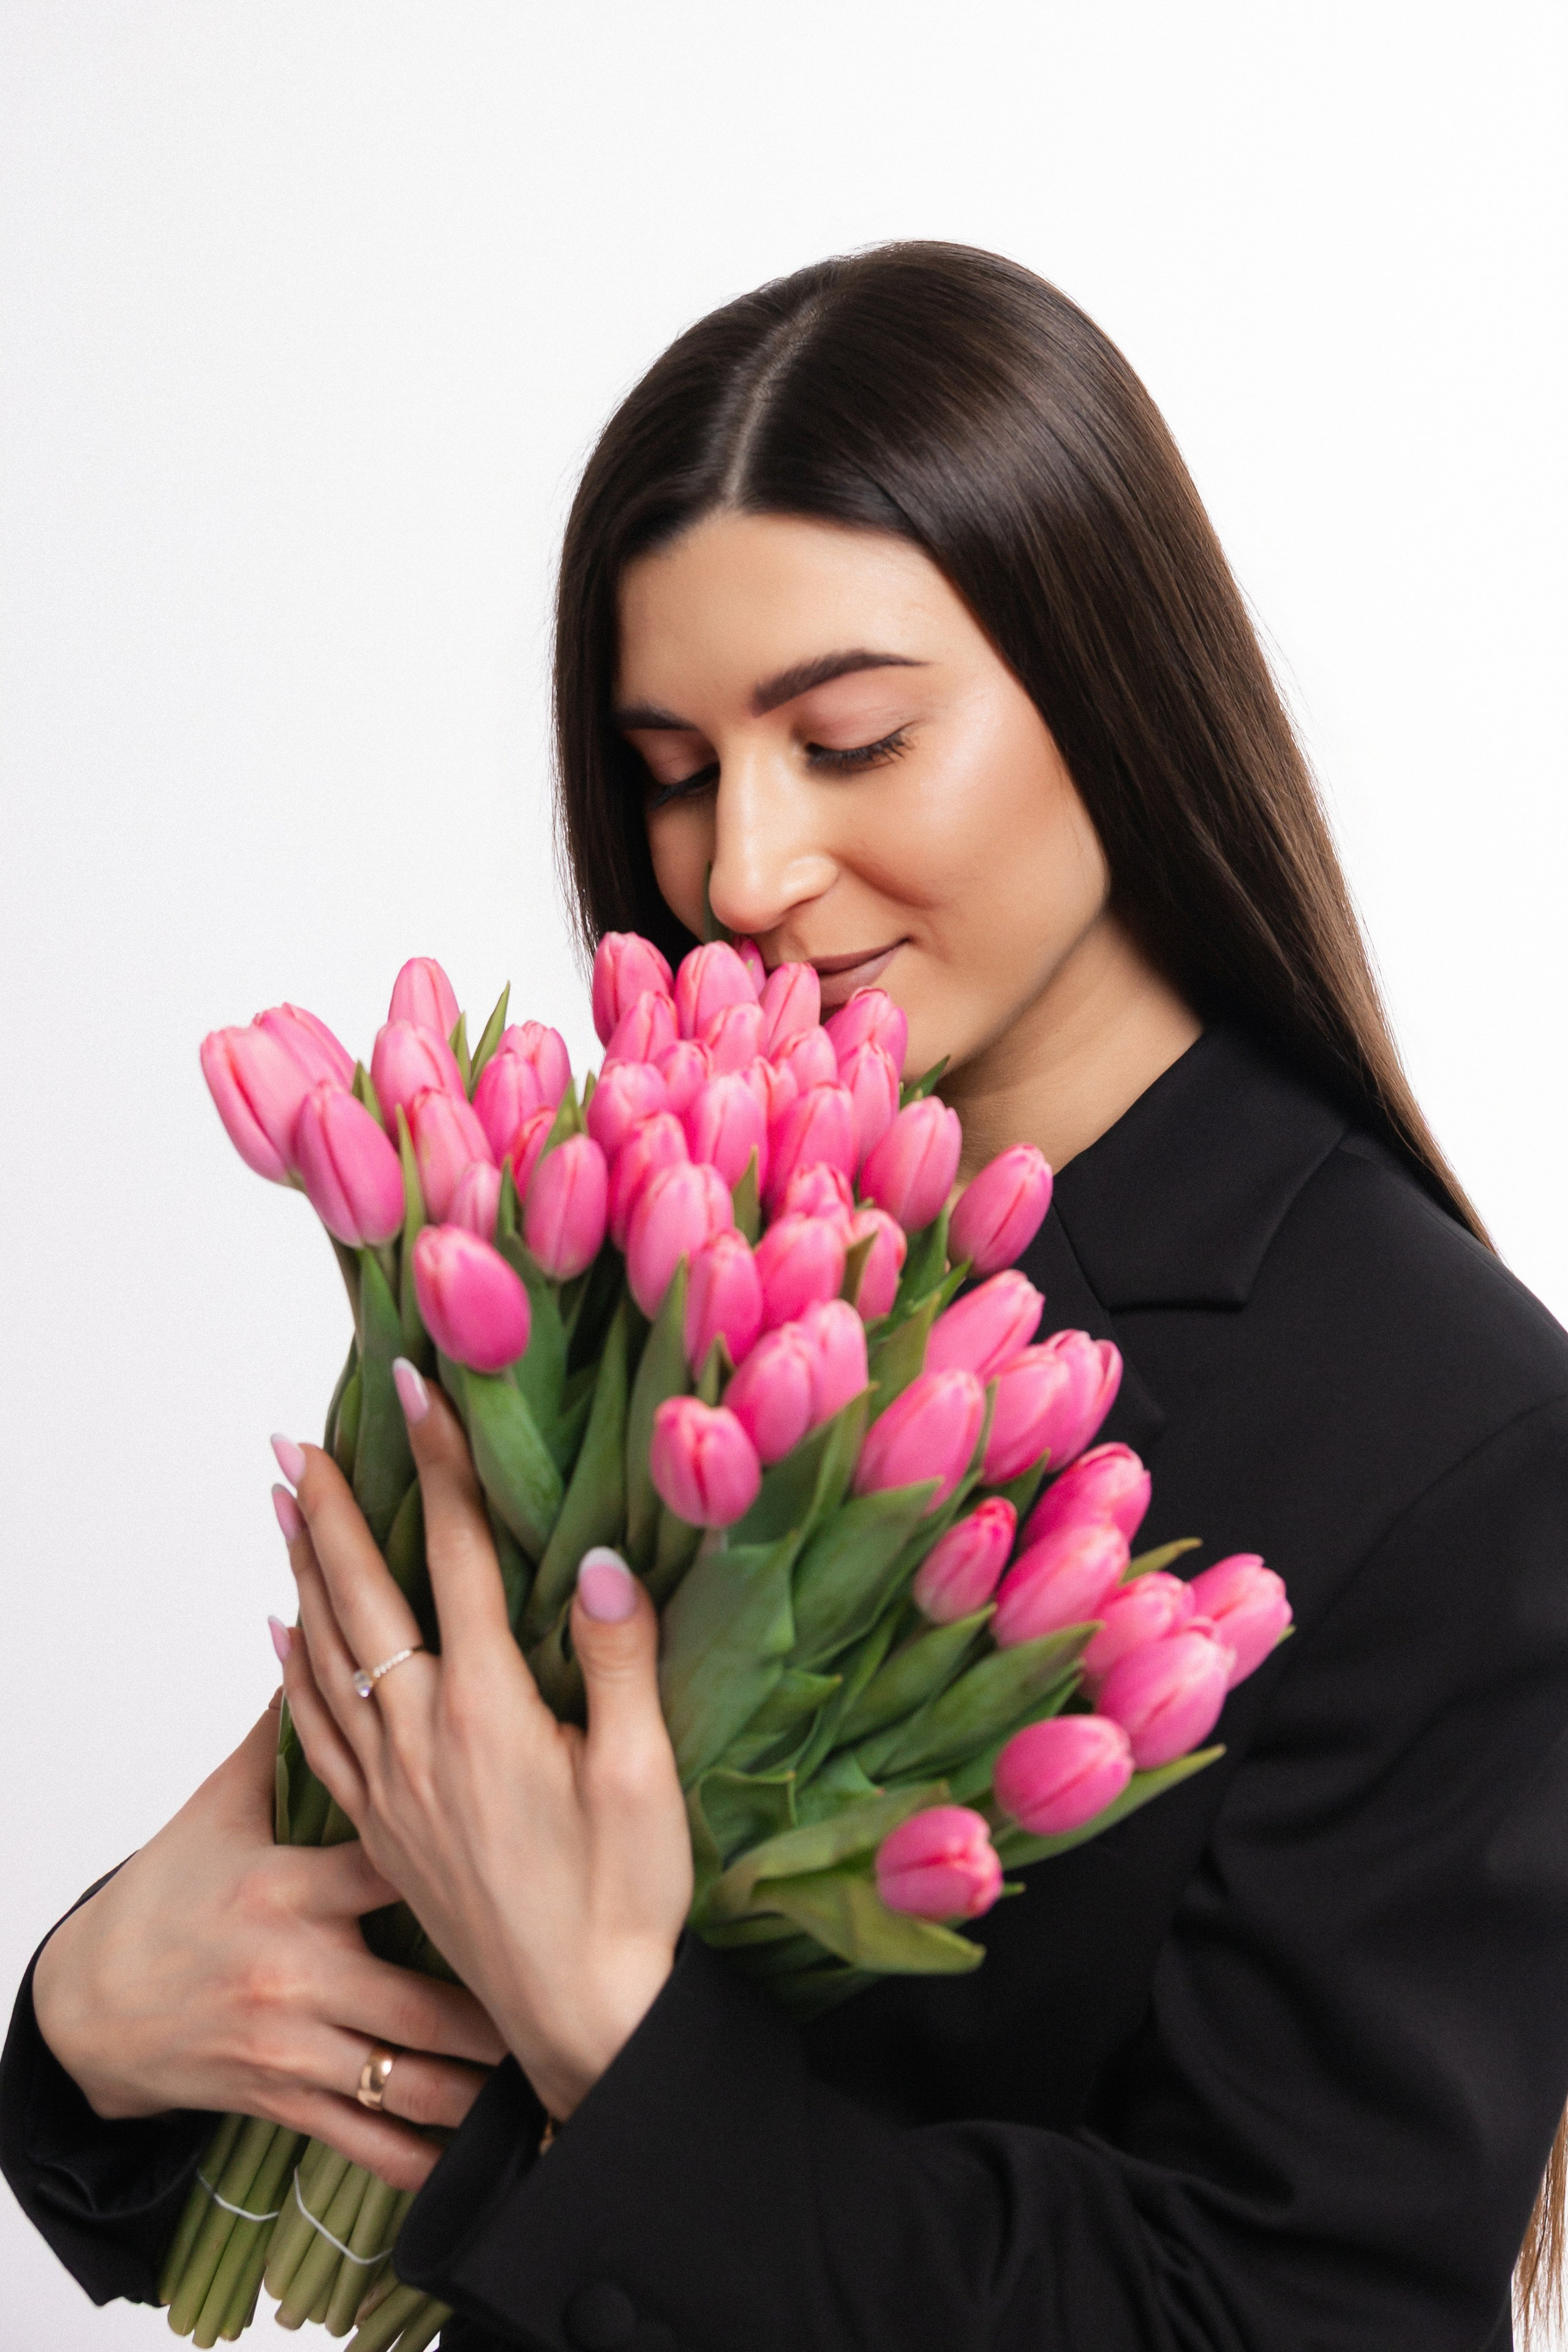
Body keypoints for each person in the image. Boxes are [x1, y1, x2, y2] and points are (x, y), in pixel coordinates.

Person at [6, 241, 1568, 2352]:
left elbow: (1306, 2312)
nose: (739, 875)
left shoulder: (1448, 1430)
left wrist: (615, 2037)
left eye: (851, 739)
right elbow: (332, 1963)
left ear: (1112, 690)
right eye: (671, 766)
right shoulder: (644, 1217)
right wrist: (89, 2019)